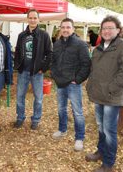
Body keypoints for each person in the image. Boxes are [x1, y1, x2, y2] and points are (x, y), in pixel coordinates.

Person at [86, 16, 123, 172]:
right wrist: (90, 86)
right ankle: (101, 152)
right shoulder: (99, 48)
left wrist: (111, 88)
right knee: (101, 127)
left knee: (109, 131)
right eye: (104, 28)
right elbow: (94, 70)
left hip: (112, 97)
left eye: (110, 28)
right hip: (99, 95)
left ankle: (108, 164)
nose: (107, 31)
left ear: (118, 30)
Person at [51, 18, 91, 151]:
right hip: (60, 82)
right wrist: (55, 75)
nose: (65, 30)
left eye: (68, 27)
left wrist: (78, 79)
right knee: (61, 108)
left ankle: (79, 137)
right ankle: (62, 129)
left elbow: (86, 64)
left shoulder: (80, 44)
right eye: (63, 27)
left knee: (77, 112)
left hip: (73, 84)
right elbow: (53, 62)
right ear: (60, 29)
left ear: (73, 29)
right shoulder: (57, 44)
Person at [13, 9, 52, 130]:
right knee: (20, 96)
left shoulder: (44, 35)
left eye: (35, 18)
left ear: (38, 19)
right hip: (23, 71)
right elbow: (18, 51)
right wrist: (17, 65)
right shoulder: (22, 35)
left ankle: (36, 119)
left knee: (39, 98)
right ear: (27, 19)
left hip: (36, 72)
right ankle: (20, 117)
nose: (33, 20)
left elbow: (49, 53)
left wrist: (43, 68)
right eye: (30, 18)